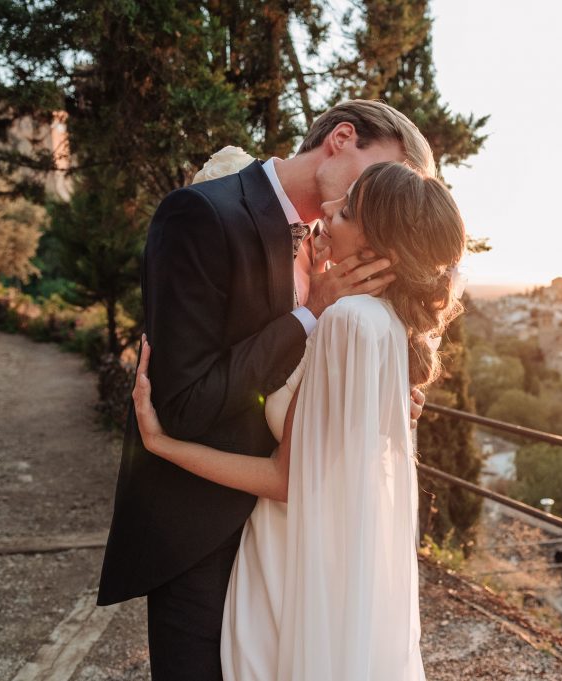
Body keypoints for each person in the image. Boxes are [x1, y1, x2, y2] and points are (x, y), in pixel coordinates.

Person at [96, 101, 434, 680]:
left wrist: (374, 406)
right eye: (378, 174)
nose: (381, 197)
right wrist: (310, 313)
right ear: (342, 138)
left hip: (291, 545)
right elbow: (181, 404)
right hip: (201, 536)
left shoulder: (333, 250)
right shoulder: (202, 214)